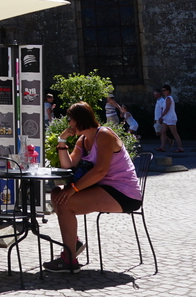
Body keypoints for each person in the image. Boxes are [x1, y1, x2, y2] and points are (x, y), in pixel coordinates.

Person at [46, 102, 144, 273]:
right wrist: (62, 141)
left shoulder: (104, 135)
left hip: (124, 193)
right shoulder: (83, 140)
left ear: (79, 119)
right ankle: (73, 244)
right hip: (105, 188)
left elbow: (100, 171)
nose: (69, 123)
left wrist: (73, 189)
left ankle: (69, 259)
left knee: (65, 202)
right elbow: (68, 165)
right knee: (56, 193)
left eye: (70, 119)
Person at [160, 85, 183, 153]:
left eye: (164, 90)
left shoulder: (169, 98)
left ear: (168, 91)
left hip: (170, 117)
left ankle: (180, 148)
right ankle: (162, 147)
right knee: (162, 131)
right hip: (166, 118)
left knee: (174, 133)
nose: (163, 92)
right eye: (162, 90)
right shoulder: (166, 98)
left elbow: (167, 108)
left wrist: (161, 116)